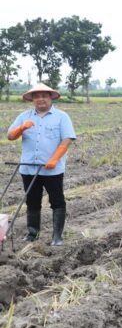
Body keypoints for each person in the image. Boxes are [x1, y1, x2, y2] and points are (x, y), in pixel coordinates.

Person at [6, 83, 76, 246]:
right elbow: (10, 136)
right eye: (37, 96)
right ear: (32, 99)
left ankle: (57, 236)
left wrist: (55, 158)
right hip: (28, 167)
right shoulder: (24, 116)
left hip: (52, 169)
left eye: (44, 96)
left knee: (57, 201)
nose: (40, 99)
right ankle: (32, 233)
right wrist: (21, 128)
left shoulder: (61, 116)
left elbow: (67, 139)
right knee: (32, 200)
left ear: (50, 97)